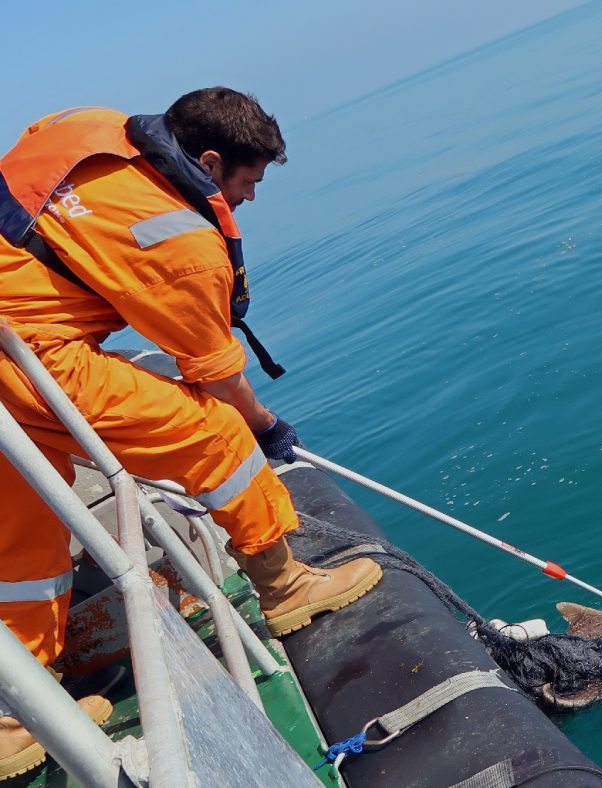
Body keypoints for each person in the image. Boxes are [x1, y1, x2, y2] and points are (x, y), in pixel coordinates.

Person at [0, 87, 382, 780]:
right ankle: (286, 586)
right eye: (248, 182)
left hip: (11, 329)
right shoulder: (182, 243)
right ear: (208, 160)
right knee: (212, 434)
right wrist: (266, 427)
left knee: (23, 525)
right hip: (24, 355)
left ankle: (7, 719)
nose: (252, 199)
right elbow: (218, 384)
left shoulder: (85, 126)